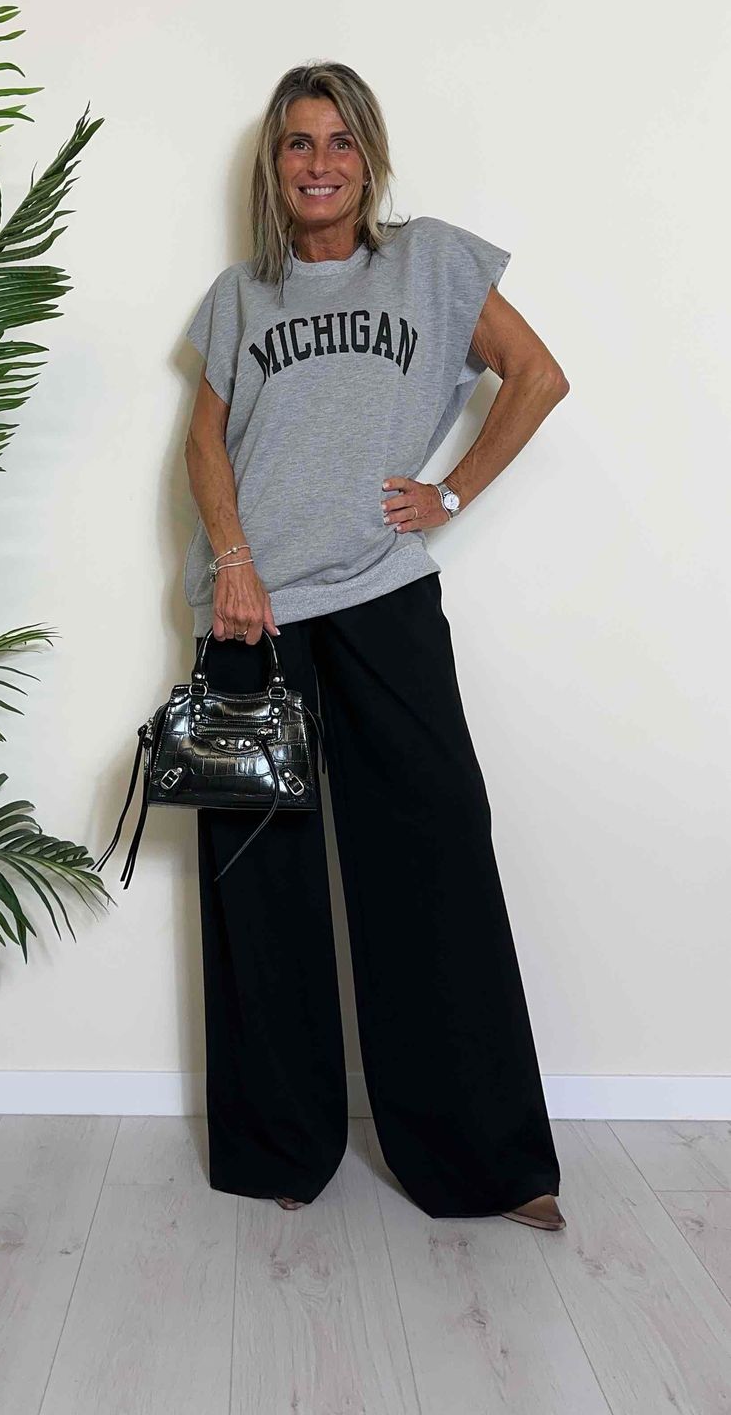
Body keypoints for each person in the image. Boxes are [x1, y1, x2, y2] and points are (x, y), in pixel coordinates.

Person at [182, 61, 570, 1230]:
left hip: (380, 599)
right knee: (260, 889)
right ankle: (277, 1149)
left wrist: (449, 494)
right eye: (297, 143)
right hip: (250, 618)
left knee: (433, 862)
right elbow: (202, 447)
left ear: (368, 157)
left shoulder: (430, 261)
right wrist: (233, 563)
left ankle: (487, 1163)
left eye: (339, 141)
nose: (319, 163)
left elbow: (536, 376)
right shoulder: (238, 297)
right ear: (274, 165)